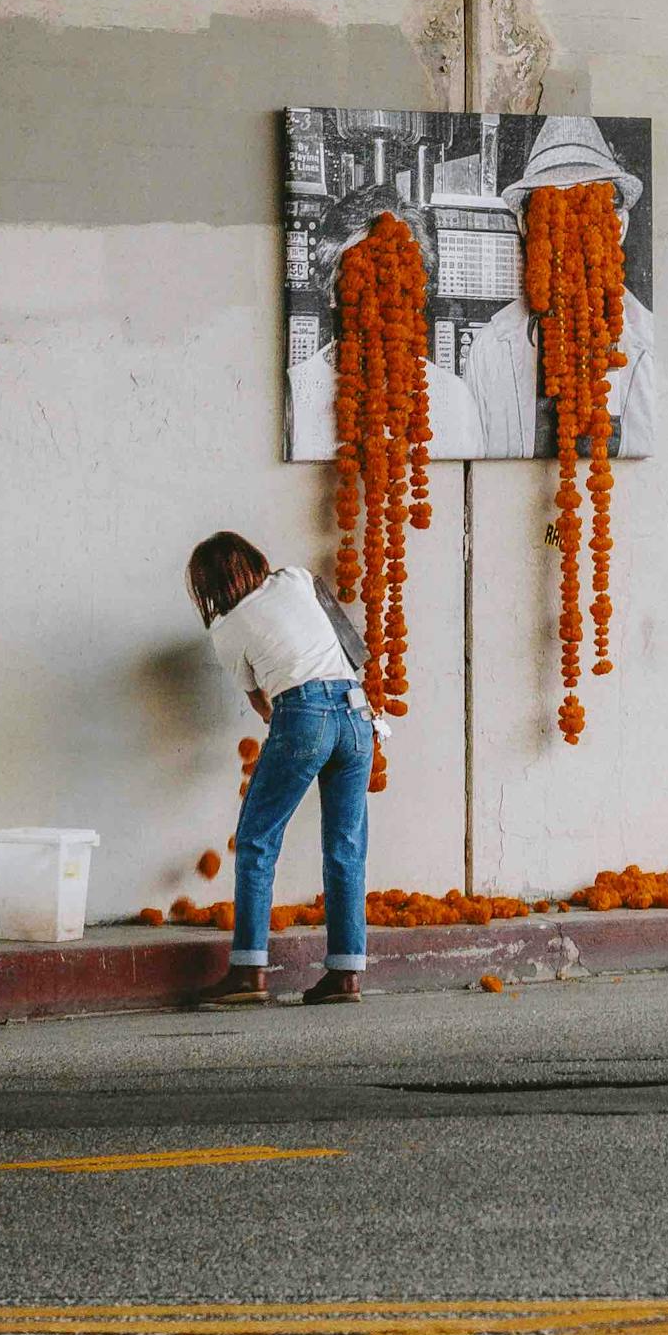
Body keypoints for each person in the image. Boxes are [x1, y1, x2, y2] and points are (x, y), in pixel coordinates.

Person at [183, 530, 371, 1007]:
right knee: (345, 848)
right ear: (255, 558)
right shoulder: (296, 578)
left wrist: (292, 726)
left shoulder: (226, 629)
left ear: (208, 587)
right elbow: (351, 643)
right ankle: (346, 975)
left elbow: (261, 701)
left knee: (256, 840)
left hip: (302, 713)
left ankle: (248, 972)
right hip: (358, 716)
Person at [459, 116, 656, 459]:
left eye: (584, 209)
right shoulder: (489, 351)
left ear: (619, 225)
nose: (566, 231)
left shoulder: (653, 348)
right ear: (525, 226)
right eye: (552, 212)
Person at [288, 183, 482, 460]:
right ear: (331, 288)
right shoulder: (293, 395)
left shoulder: (454, 399)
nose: (386, 293)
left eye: (403, 275)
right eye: (364, 273)